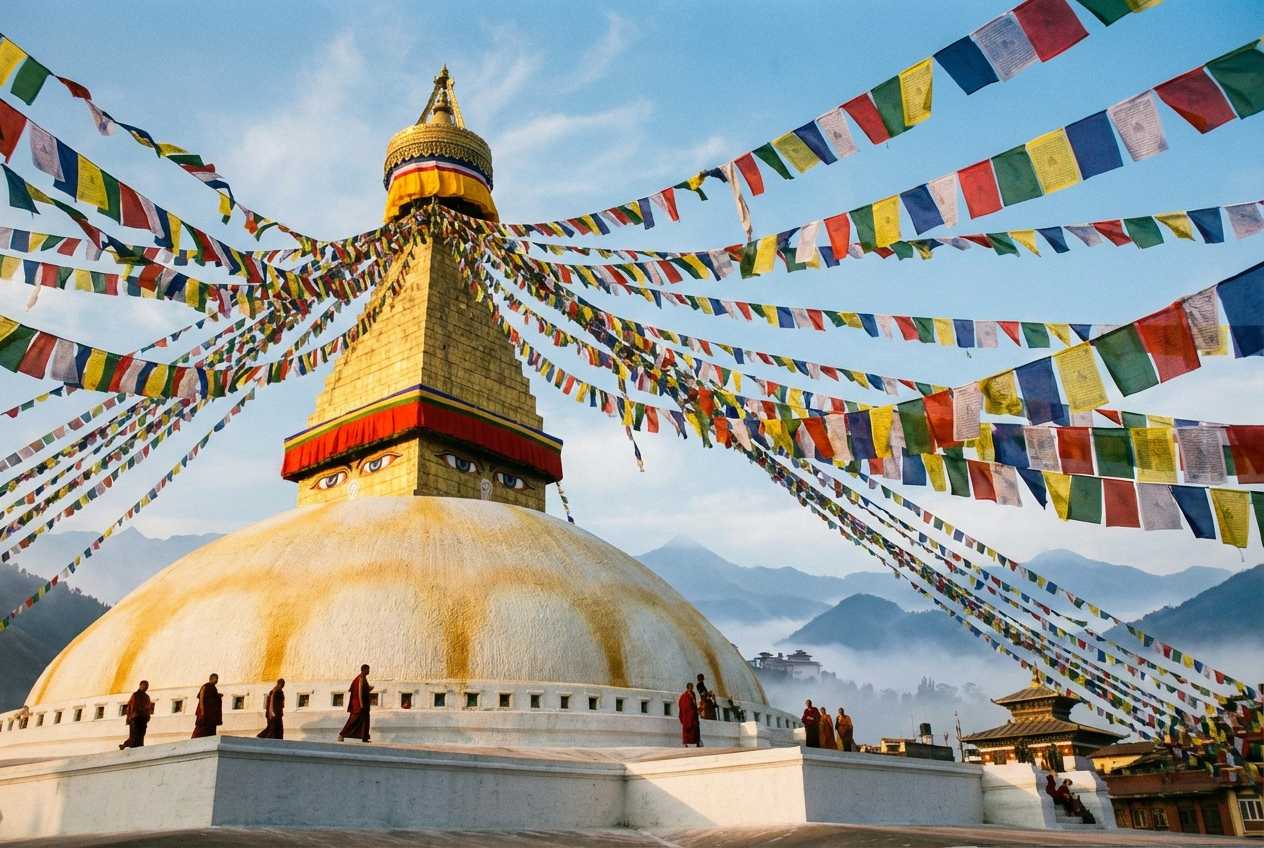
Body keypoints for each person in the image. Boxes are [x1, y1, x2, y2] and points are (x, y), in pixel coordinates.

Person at [338, 665, 373, 743]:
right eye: (368, 670)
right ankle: (342, 734)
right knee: (353, 720)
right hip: (358, 705)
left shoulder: (363, 678)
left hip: (363, 704)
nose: (369, 671)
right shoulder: (360, 679)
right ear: (364, 670)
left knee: (365, 721)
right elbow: (359, 692)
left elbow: (362, 690)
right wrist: (361, 705)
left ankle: (364, 737)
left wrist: (368, 689)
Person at [119, 680, 153, 749]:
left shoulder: (146, 697)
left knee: (141, 734)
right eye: (143, 685)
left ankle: (135, 746)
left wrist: (146, 712)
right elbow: (134, 705)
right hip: (136, 717)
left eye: (146, 686)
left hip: (143, 717)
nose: (145, 687)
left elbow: (149, 706)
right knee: (134, 734)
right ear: (140, 686)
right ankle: (126, 745)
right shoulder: (135, 695)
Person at [191, 673, 223, 738]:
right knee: (203, 726)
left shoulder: (213, 688)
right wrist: (202, 709)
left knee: (211, 726)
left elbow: (213, 697)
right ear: (212, 678)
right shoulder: (205, 686)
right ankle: (196, 738)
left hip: (212, 713)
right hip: (206, 711)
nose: (217, 680)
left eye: (217, 679)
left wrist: (218, 695)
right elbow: (201, 697)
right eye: (216, 679)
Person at [678, 682, 701, 747]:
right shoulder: (684, 696)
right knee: (688, 730)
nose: (691, 689)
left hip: (693, 716)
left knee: (695, 729)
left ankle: (697, 742)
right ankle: (686, 743)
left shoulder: (692, 694)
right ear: (688, 688)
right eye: (690, 687)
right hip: (688, 716)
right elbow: (685, 706)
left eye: (692, 687)